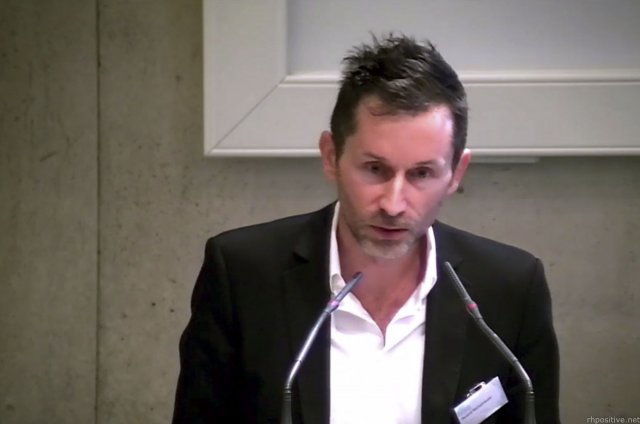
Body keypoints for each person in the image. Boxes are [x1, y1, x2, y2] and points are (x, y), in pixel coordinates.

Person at [172, 34, 560, 423]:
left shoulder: (510, 289)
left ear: (456, 173)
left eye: (422, 174)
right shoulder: (243, 276)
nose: (393, 204)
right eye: (375, 169)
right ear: (331, 156)